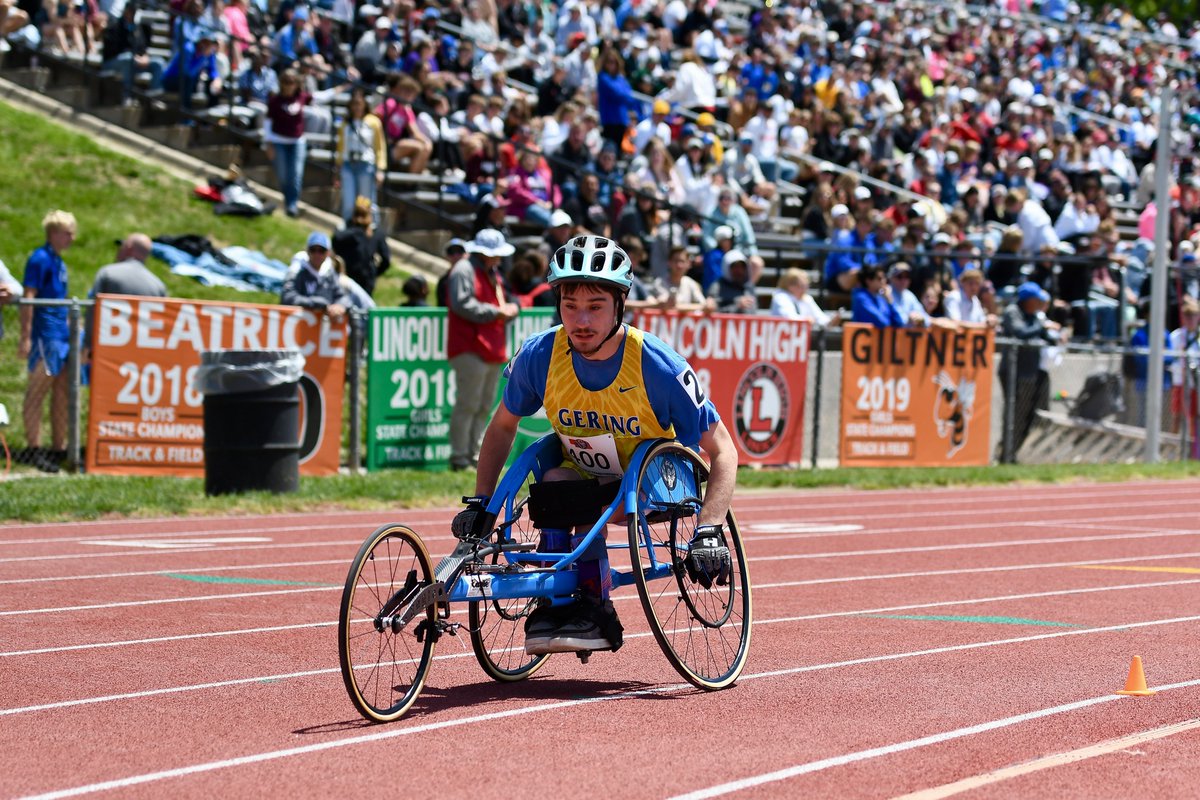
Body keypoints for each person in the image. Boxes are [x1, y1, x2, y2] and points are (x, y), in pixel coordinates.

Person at [454, 234, 737, 654]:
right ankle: (555, 604)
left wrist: (710, 529)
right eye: (570, 307)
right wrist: (482, 503)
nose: (580, 321)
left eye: (595, 307)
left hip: (652, 479)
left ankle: (595, 608)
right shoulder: (540, 354)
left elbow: (724, 450)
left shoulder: (657, 365)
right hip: (582, 475)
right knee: (553, 477)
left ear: (620, 305)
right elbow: (501, 428)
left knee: (586, 503)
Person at [446, 228, 520, 471]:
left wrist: (506, 310)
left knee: (485, 405)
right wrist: (497, 312)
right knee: (468, 403)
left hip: (490, 347)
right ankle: (459, 457)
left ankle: (475, 454)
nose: (499, 259)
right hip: (469, 347)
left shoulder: (491, 272)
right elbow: (461, 304)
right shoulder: (463, 270)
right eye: (495, 254)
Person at [19, 210, 76, 473]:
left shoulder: (59, 262)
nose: (72, 238)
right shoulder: (40, 259)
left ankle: (58, 448)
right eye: (67, 233)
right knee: (37, 390)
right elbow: (29, 297)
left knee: (62, 390)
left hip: (61, 335)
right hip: (45, 335)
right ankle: (33, 448)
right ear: (53, 233)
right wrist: (25, 337)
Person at [1000, 281, 1063, 454]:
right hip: (1013, 371)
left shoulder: (1033, 315)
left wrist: (1056, 336)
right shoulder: (1013, 312)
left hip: (1030, 371)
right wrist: (1041, 326)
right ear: (1028, 300)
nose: (1039, 304)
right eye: (1036, 300)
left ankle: (1016, 451)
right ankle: (1006, 452)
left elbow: (1045, 337)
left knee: (1028, 414)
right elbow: (1020, 332)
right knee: (1014, 414)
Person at [83, 233, 166, 354]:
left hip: (106, 351)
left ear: (128, 247)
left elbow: (92, 310)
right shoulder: (158, 286)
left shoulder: (107, 273)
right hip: (140, 355)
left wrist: (88, 345)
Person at [334, 88, 386, 224]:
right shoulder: (345, 124)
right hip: (347, 164)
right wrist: (338, 166)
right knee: (348, 203)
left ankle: (372, 230)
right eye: (354, 103)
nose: (357, 107)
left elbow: (380, 147)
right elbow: (341, 146)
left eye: (359, 103)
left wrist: (380, 169)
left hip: (366, 165)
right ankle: (347, 230)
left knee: (367, 202)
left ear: (364, 104)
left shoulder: (373, 122)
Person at [263, 69, 310, 217]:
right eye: (286, 82)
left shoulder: (302, 97)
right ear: (281, 83)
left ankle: (292, 205)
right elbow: (267, 123)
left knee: (296, 174)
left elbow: (322, 96)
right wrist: (267, 144)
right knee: (283, 175)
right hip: (278, 141)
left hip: (297, 142)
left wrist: (342, 87)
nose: (289, 86)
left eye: (292, 82)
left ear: (297, 84)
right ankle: (289, 200)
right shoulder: (275, 101)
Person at [280, 231, 349, 322]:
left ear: (328, 253)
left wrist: (339, 306)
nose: (317, 254)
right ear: (307, 251)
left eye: (321, 251)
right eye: (313, 250)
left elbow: (343, 297)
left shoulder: (329, 272)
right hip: (296, 325)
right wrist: (313, 303)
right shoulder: (297, 270)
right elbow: (287, 297)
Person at [331, 197, 390, 298]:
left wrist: (373, 273)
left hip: (357, 280)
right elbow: (386, 260)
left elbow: (386, 260)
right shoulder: (347, 230)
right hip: (353, 279)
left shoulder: (374, 233)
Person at [770, 268, 836, 328]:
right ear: (790, 286)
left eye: (806, 286)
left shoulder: (807, 298)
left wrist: (831, 322)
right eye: (802, 286)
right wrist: (806, 320)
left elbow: (821, 318)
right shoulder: (781, 297)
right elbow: (789, 318)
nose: (805, 289)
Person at [851, 264, 907, 328]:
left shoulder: (881, 297)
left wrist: (890, 301)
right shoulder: (860, 298)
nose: (884, 281)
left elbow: (899, 323)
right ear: (868, 281)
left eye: (884, 277)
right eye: (879, 278)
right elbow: (883, 323)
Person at [708, 249, 757, 314]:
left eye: (741, 267)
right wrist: (737, 307)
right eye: (735, 267)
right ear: (726, 267)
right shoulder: (717, 287)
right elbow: (713, 311)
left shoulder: (749, 287)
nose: (739, 271)